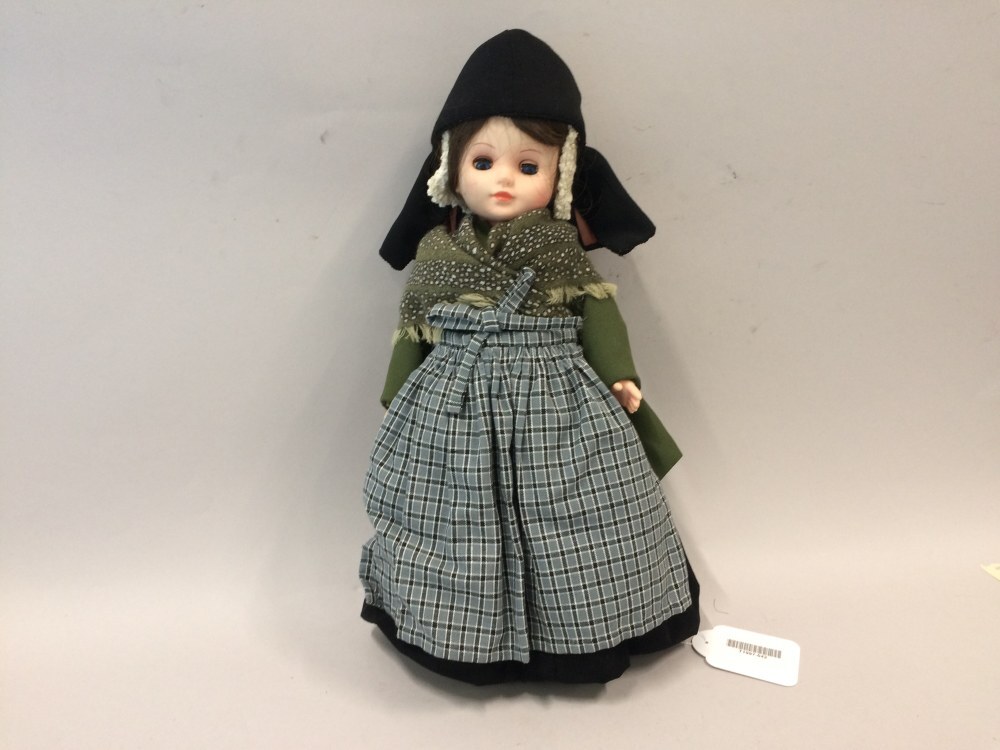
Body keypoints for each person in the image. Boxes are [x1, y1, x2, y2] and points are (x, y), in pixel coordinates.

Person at [359, 29, 699, 685]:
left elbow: (596, 309)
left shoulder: (558, 248)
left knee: (578, 510)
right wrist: (397, 394)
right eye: (484, 162)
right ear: (450, 168)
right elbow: (414, 328)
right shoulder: (437, 255)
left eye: (528, 166)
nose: (503, 181)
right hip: (455, 398)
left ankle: (587, 630)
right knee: (455, 514)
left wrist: (620, 375)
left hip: (556, 393)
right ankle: (460, 631)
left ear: (562, 171)